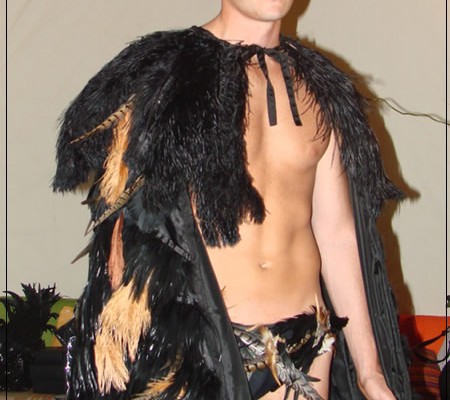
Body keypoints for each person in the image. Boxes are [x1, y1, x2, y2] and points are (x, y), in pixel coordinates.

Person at [53, 1, 412, 399]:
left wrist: (369, 370)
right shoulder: (167, 76)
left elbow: (338, 235)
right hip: (197, 355)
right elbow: (127, 225)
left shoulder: (320, 90)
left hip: (304, 348)